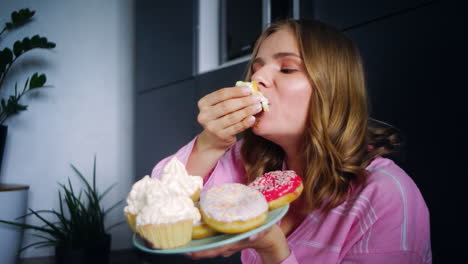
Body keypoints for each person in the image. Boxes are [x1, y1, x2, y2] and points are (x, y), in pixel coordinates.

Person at [151, 19, 431, 264]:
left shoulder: (387, 195)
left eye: (287, 69)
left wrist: (273, 250)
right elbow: (159, 209)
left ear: (332, 90)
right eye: (257, 68)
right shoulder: (249, 160)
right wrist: (209, 143)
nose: (257, 77)